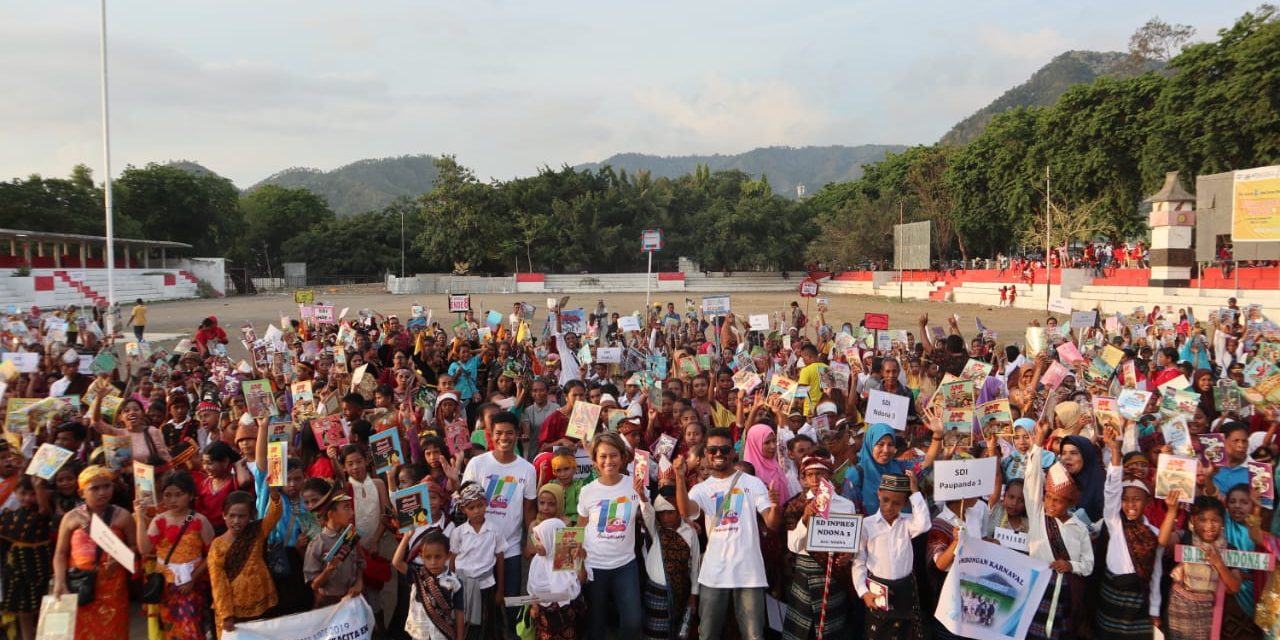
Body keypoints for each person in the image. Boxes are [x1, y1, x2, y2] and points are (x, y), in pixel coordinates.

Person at [674, 427, 781, 640]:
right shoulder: (702, 488)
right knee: (708, 634)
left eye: (724, 449)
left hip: (749, 573)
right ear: (706, 453)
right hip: (714, 573)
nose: (718, 454)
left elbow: (772, 523)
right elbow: (686, 511)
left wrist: (776, 506)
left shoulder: (752, 483)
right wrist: (679, 478)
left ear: (733, 452)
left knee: (754, 636)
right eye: (712, 450)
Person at [460, 411, 537, 629]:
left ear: (518, 435)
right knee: (482, 606)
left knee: (511, 602)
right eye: (499, 433)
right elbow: (465, 501)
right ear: (490, 436)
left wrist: (531, 540)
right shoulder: (477, 464)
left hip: (511, 547)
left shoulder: (527, 469)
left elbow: (529, 509)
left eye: (509, 433)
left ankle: (512, 633)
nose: (504, 438)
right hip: (479, 548)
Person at [51, 466, 135, 640]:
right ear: (82, 493)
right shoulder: (71, 518)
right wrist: (59, 582)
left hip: (113, 586)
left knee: (113, 631)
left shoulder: (123, 516)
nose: (102, 492)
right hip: (80, 584)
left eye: (107, 486)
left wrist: (120, 559)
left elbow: (135, 548)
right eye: (94, 488)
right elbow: (60, 553)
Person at [1094, 426, 1161, 638]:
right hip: (1111, 594)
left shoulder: (1153, 532)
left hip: (1138, 600)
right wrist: (1115, 452)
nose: (1130, 504)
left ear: (1148, 501)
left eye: (1137, 499)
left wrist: (1155, 609)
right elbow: (1111, 491)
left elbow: (1156, 573)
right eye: (1126, 499)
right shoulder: (1115, 522)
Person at [576, 432, 644, 639]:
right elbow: (579, 530)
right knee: (596, 623)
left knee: (633, 621)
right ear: (595, 460)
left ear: (623, 457)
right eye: (603, 456)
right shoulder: (587, 491)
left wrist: (644, 499)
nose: (608, 461)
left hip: (626, 565)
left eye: (613, 455)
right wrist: (578, 566)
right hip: (594, 566)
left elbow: (647, 518)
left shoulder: (635, 485)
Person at [135, 470, 216, 640]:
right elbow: (144, 549)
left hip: (191, 587)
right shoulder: (159, 521)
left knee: (192, 629)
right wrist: (140, 519)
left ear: (191, 495)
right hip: (166, 587)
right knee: (170, 629)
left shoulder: (200, 520)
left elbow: (212, 555)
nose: (172, 500)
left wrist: (193, 579)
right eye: (167, 495)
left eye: (178, 495)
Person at [783, 451, 855, 640]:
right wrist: (805, 519)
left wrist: (849, 555)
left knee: (831, 629)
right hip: (805, 571)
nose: (815, 479)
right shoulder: (795, 505)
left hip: (832, 573)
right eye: (810, 475)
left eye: (820, 474)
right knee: (801, 630)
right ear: (804, 478)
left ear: (829, 475)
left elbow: (851, 542)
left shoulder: (845, 505)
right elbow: (793, 546)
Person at [851, 471, 929, 640]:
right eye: (885, 500)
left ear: (904, 503)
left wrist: (915, 492)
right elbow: (859, 561)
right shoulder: (866, 525)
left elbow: (924, 524)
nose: (889, 507)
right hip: (878, 591)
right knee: (879, 633)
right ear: (879, 493)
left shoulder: (908, 523)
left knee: (906, 633)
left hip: (905, 590)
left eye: (896, 503)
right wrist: (863, 592)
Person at [209, 489, 281, 636]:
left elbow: (274, 516)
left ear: (250, 516)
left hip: (262, 601)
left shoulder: (257, 531)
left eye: (242, 516)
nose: (236, 521)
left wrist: (274, 495)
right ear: (224, 515)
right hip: (234, 610)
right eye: (232, 516)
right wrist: (226, 615)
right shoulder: (217, 546)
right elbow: (218, 582)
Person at [450, 481, 505, 640]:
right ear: (463, 509)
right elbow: (453, 561)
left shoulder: (494, 530)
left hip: (486, 585)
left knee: (487, 624)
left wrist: (500, 590)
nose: (477, 511)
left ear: (486, 504)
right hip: (463, 586)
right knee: (466, 625)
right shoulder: (458, 533)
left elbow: (500, 559)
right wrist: (452, 587)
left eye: (480, 505)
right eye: (471, 508)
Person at [0, 475, 52, 640]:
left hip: (41, 567)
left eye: (32, 494)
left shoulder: (42, 515)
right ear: (15, 492)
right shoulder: (8, 516)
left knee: (46, 608)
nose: (28, 498)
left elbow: (44, 510)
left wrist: (38, 487)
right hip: (17, 570)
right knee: (24, 611)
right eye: (23, 493)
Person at [392, 529, 466, 640]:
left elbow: (459, 612)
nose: (433, 562)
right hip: (420, 634)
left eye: (438, 557)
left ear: (448, 555)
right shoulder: (417, 574)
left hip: (442, 635)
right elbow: (396, 562)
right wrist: (406, 537)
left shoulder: (455, 583)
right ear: (421, 556)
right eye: (428, 557)